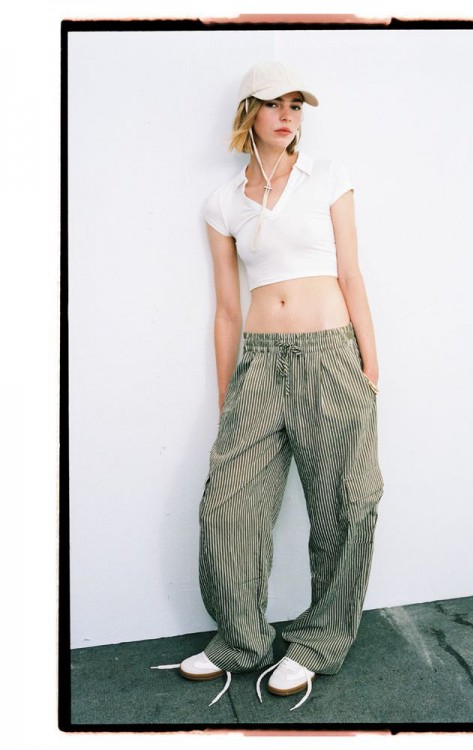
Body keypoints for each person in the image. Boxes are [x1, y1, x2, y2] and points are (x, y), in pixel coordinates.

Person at [179, 61, 384, 711]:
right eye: (274, 103)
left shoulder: (329, 177)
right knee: (227, 505)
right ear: (249, 112)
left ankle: (318, 642)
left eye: (297, 104)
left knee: (345, 505)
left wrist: (369, 367)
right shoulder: (222, 204)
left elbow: (351, 275)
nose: (288, 115)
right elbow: (226, 311)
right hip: (260, 366)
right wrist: (227, 398)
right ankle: (242, 641)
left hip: (332, 356)